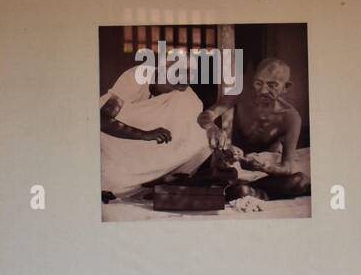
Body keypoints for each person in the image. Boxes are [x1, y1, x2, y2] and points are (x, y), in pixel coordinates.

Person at [198, 57, 309, 200]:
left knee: (300, 181)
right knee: (213, 173)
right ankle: (249, 192)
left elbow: (287, 167)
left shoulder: (290, 118)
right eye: (258, 83)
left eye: (272, 85)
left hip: (262, 176)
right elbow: (205, 116)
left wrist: (266, 167)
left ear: (285, 87)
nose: (262, 90)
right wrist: (212, 128)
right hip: (230, 169)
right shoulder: (239, 94)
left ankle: (249, 191)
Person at [99, 63, 211, 199]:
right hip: (110, 139)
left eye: (191, 73)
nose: (186, 78)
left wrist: (216, 134)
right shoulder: (139, 76)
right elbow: (102, 120)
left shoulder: (187, 96)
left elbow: (199, 128)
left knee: (200, 138)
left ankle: (157, 181)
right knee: (112, 181)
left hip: (145, 145)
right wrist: (145, 135)